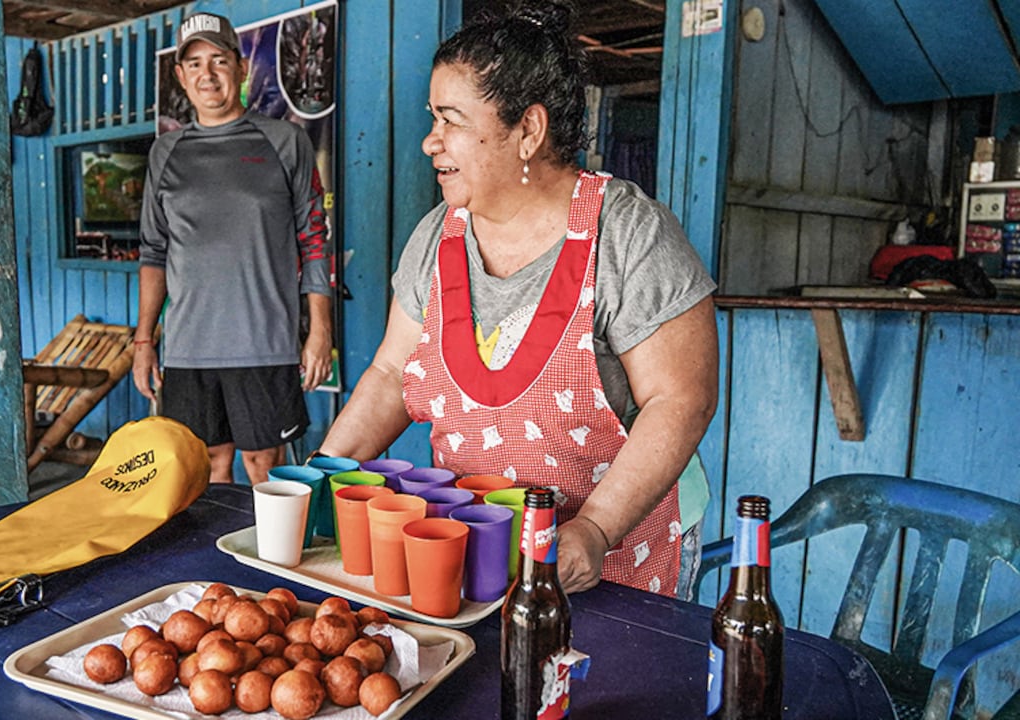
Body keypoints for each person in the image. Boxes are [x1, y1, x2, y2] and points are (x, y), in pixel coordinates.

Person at [314, 0, 719, 598]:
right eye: (433, 118)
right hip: (473, 553)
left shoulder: (629, 234)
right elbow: (392, 372)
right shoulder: (436, 236)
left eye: (450, 120)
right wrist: (321, 475)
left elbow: (680, 399)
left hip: (609, 557)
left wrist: (596, 530)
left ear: (527, 130)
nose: (431, 142)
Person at [134, 12, 333, 485]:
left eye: (219, 60)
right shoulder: (166, 152)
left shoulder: (284, 141)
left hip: (262, 341)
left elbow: (313, 239)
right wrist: (144, 340)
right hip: (187, 347)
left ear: (241, 69)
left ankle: (269, 559)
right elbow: (153, 252)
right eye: (196, 63)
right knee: (206, 466)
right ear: (181, 76)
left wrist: (320, 330)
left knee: (265, 464)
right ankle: (215, 562)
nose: (208, 74)